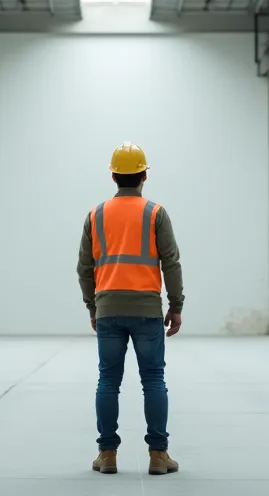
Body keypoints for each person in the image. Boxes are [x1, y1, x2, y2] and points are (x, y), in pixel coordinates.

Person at [77, 141, 184, 476]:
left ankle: (107, 454)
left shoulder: (95, 214)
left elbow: (85, 268)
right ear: (143, 177)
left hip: (108, 308)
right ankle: (158, 455)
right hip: (147, 309)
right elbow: (171, 262)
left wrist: (93, 307)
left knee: (108, 379)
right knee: (153, 379)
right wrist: (176, 305)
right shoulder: (156, 213)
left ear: (113, 177)